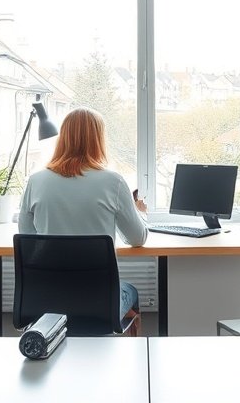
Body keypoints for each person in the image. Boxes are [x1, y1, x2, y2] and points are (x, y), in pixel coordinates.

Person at [18, 107, 149, 328]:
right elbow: (138, 238)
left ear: (63, 139)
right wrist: (139, 212)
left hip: (47, 301)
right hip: (100, 302)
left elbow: (27, 237)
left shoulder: (36, 181)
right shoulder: (113, 182)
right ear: (98, 140)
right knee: (130, 291)